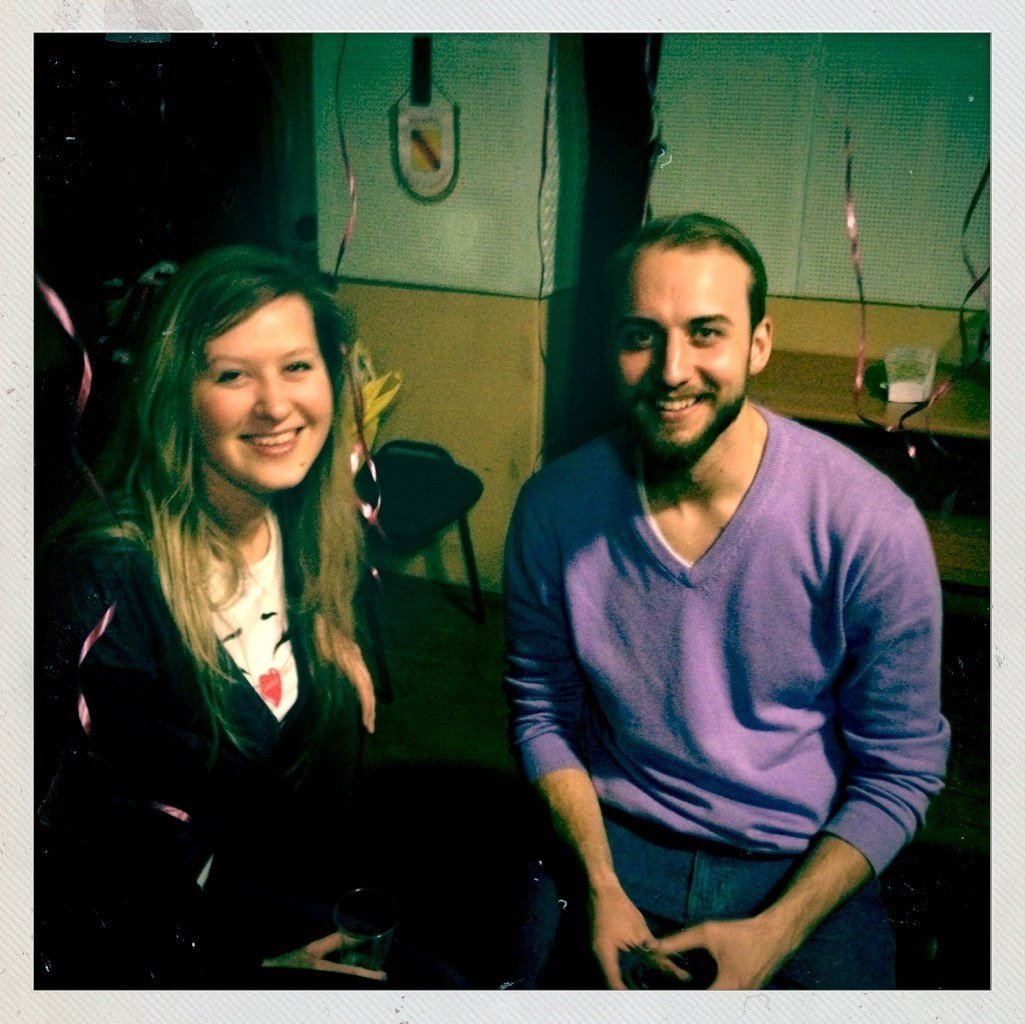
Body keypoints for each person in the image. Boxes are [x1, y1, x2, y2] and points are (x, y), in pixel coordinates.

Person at [503, 213, 950, 990]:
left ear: (758, 344)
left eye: (705, 333)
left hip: (795, 857)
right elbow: (542, 713)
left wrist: (778, 932)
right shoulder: (553, 508)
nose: (671, 369)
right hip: (612, 838)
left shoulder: (871, 526)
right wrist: (600, 884)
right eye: (641, 336)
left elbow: (900, 769)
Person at [35, 245, 392, 987]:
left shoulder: (305, 520)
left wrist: (331, 632)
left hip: (298, 894)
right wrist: (239, 973)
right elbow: (56, 855)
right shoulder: (104, 581)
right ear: (178, 395)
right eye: (232, 375)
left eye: (297, 366)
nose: (276, 405)